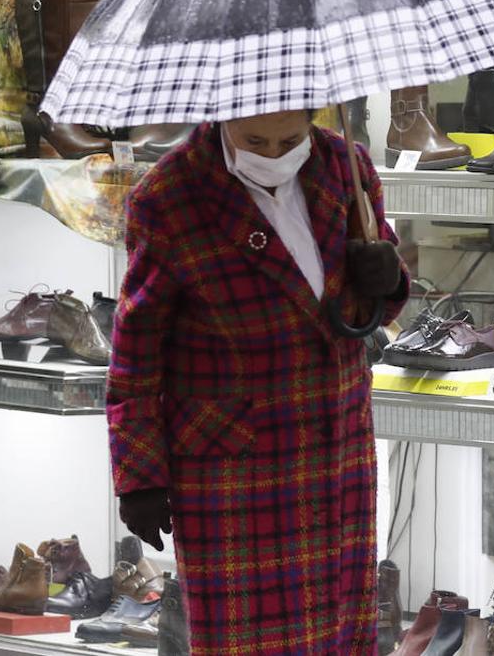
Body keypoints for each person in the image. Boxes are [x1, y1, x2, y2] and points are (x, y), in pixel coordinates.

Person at [106, 110, 410, 654]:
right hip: (236, 471)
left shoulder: (346, 166)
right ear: (224, 116)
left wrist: (388, 279)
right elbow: (137, 349)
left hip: (337, 451)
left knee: (345, 633)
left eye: (289, 139)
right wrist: (139, 476)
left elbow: (370, 303)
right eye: (254, 140)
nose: (272, 153)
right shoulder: (170, 196)